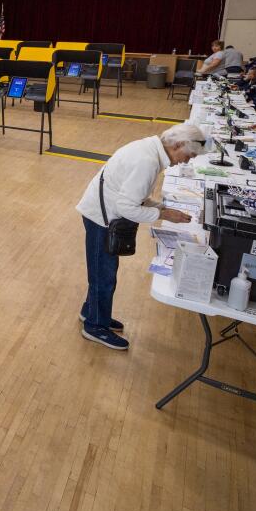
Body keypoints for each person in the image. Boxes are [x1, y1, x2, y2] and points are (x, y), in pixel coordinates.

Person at [75, 123, 205, 350]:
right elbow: (127, 207)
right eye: (189, 155)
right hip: (100, 218)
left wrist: (163, 209)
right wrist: (161, 214)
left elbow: (136, 195)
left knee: (102, 270)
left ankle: (91, 312)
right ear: (178, 145)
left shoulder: (150, 149)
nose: (187, 161)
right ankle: (95, 326)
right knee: (104, 274)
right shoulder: (147, 161)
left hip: (102, 210)